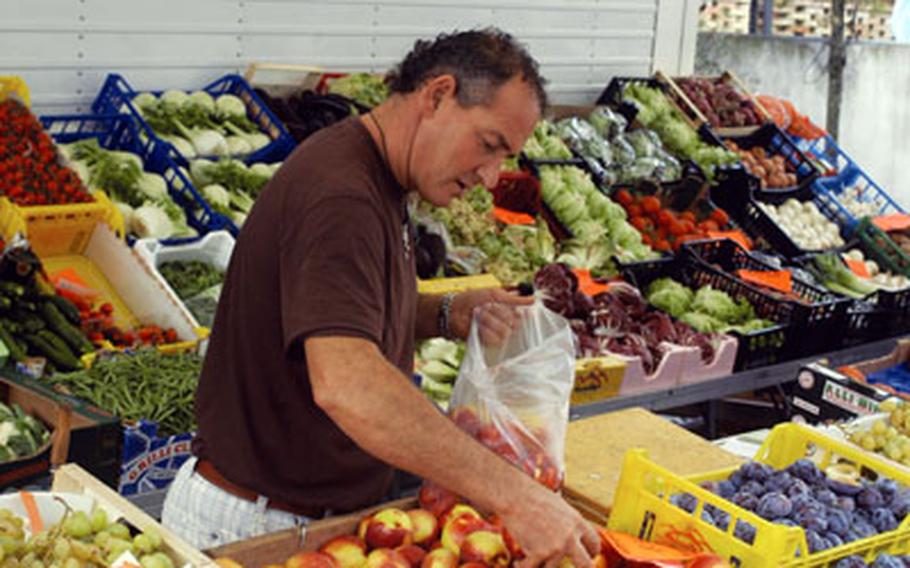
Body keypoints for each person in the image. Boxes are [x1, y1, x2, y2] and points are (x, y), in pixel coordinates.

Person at [162, 28, 600, 567]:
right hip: (259, 526)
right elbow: (347, 385)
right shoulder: (342, 196)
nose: (491, 178)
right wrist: (514, 496)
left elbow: (336, 312)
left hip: (303, 518)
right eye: (489, 146)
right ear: (437, 96)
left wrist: (445, 314)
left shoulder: (376, 177)